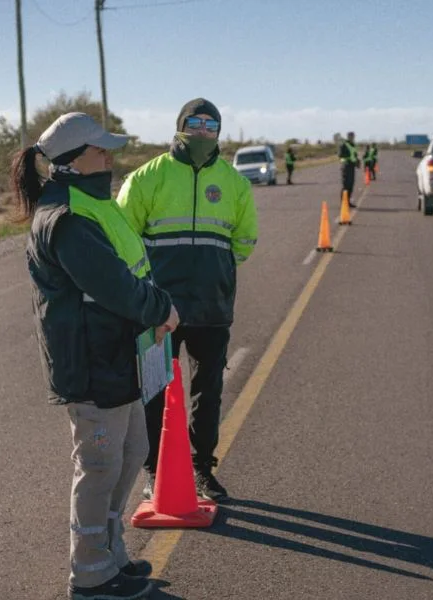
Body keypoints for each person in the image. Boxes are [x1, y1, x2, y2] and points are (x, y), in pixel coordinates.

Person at [15, 111, 179, 600]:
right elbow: (115, 287)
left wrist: (153, 310)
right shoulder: (64, 220)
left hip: (121, 356)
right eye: (100, 149)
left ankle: (111, 553)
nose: (110, 156)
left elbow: (131, 271)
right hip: (92, 364)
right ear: (71, 162)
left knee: (133, 453)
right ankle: (89, 573)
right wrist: (163, 309)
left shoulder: (95, 205)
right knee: (100, 464)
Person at [116, 98, 258, 503]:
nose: (201, 130)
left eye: (210, 124)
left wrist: (221, 272)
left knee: (208, 390)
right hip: (158, 308)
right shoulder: (146, 178)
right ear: (180, 125)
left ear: (219, 131)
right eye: (194, 122)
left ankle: (201, 469)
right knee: (154, 390)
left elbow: (245, 240)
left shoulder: (235, 183)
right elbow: (125, 240)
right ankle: (154, 470)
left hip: (212, 307)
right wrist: (147, 291)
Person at [338, 131, 360, 206]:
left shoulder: (353, 145)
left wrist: (357, 161)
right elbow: (340, 157)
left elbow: (355, 155)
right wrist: (345, 162)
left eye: (353, 136)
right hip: (346, 167)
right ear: (348, 137)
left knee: (351, 185)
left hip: (352, 167)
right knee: (346, 185)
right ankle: (343, 202)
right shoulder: (344, 145)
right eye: (351, 136)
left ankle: (348, 202)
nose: (352, 138)